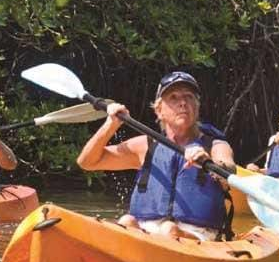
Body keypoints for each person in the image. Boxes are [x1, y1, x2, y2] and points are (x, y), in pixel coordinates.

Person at [76, 71, 235, 241]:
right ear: (159, 110)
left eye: (189, 97)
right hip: (148, 230)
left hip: (198, 234)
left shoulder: (215, 146)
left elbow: (228, 170)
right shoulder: (145, 146)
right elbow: (87, 162)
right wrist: (111, 125)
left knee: (169, 229)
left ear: (197, 107)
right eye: (173, 97)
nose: (182, 102)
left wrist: (207, 162)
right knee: (126, 221)